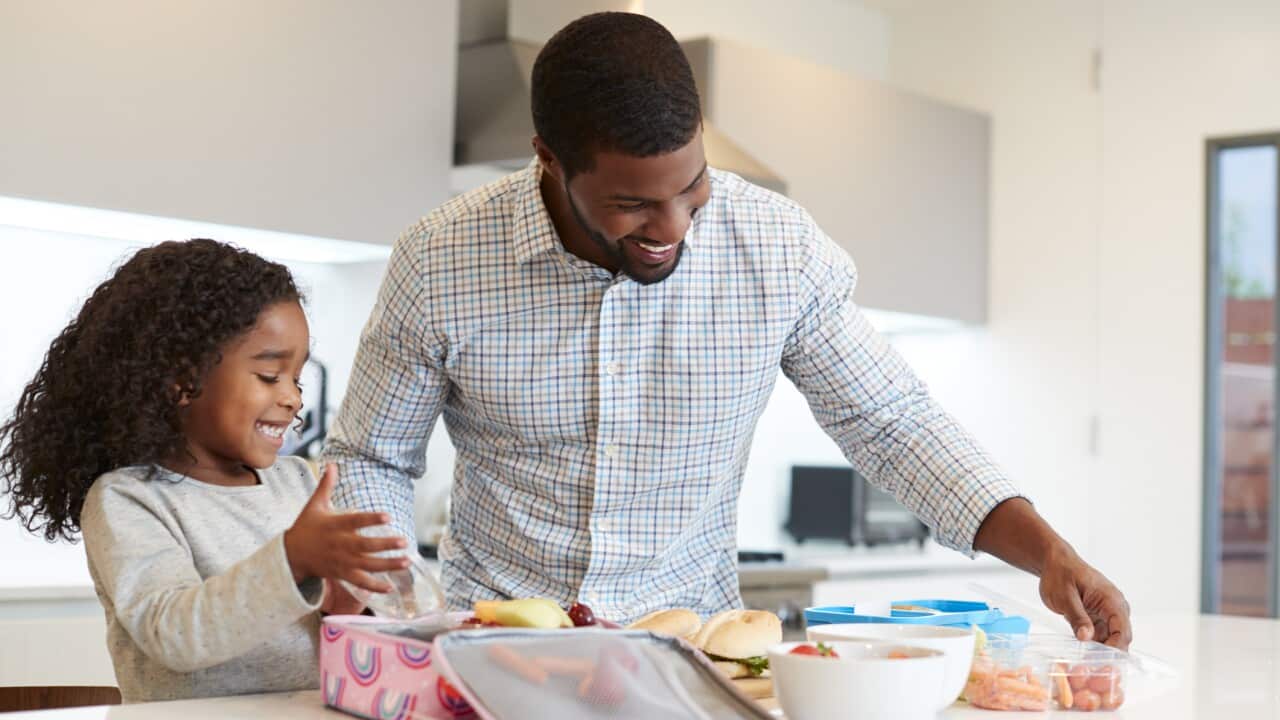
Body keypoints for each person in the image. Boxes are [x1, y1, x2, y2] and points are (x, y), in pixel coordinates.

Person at [325, 12, 1132, 648]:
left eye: (692, 185)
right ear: (547, 158)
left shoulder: (777, 249)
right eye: (633, 204)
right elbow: (371, 457)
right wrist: (402, 606)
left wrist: (1050, 553)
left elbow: (892, 423)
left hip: (694, 657)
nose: (672, 225)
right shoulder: (439, 258)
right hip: (493, 651)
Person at [0, 240, 408, 702]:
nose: (293, 398)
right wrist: (293, 559)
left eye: (297, 379)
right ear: (183, 380)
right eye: (270, 377)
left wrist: (343, 612)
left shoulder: (297, 482)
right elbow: (173, 634)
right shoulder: (130, 499)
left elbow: (318, 647)